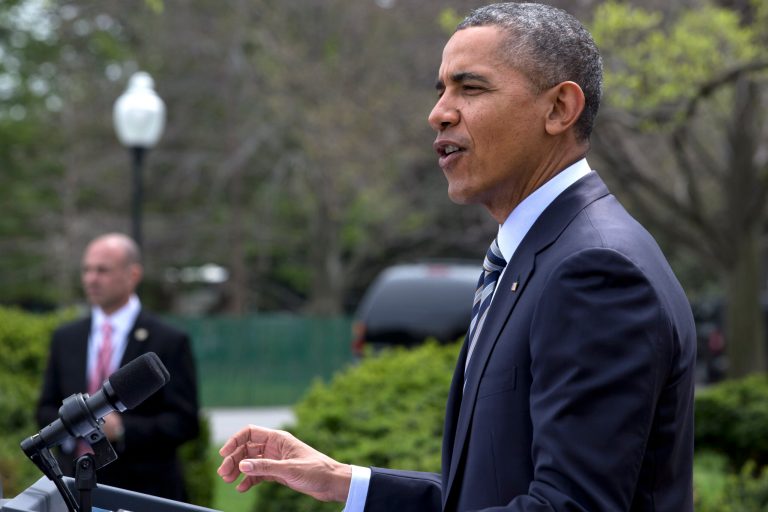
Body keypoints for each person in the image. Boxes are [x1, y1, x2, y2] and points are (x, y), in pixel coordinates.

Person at [217, 3, 696, 511]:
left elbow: (569, 507)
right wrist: (344, 481)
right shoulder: (537, 258)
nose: (439, 112)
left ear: (559, 109)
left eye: (471, 88)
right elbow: (494, 493)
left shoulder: (594, 270)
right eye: (441, 90)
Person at [36, 232, 200, 502]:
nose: (91, 279)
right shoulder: (66, 338)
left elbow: (184, 422)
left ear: (133, 274)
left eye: (102, 270)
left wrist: (122, 429)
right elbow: (45, 408)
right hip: (72, 489)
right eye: (87, 270)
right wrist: (72, 426)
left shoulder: (168, 340)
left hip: (143, 492)